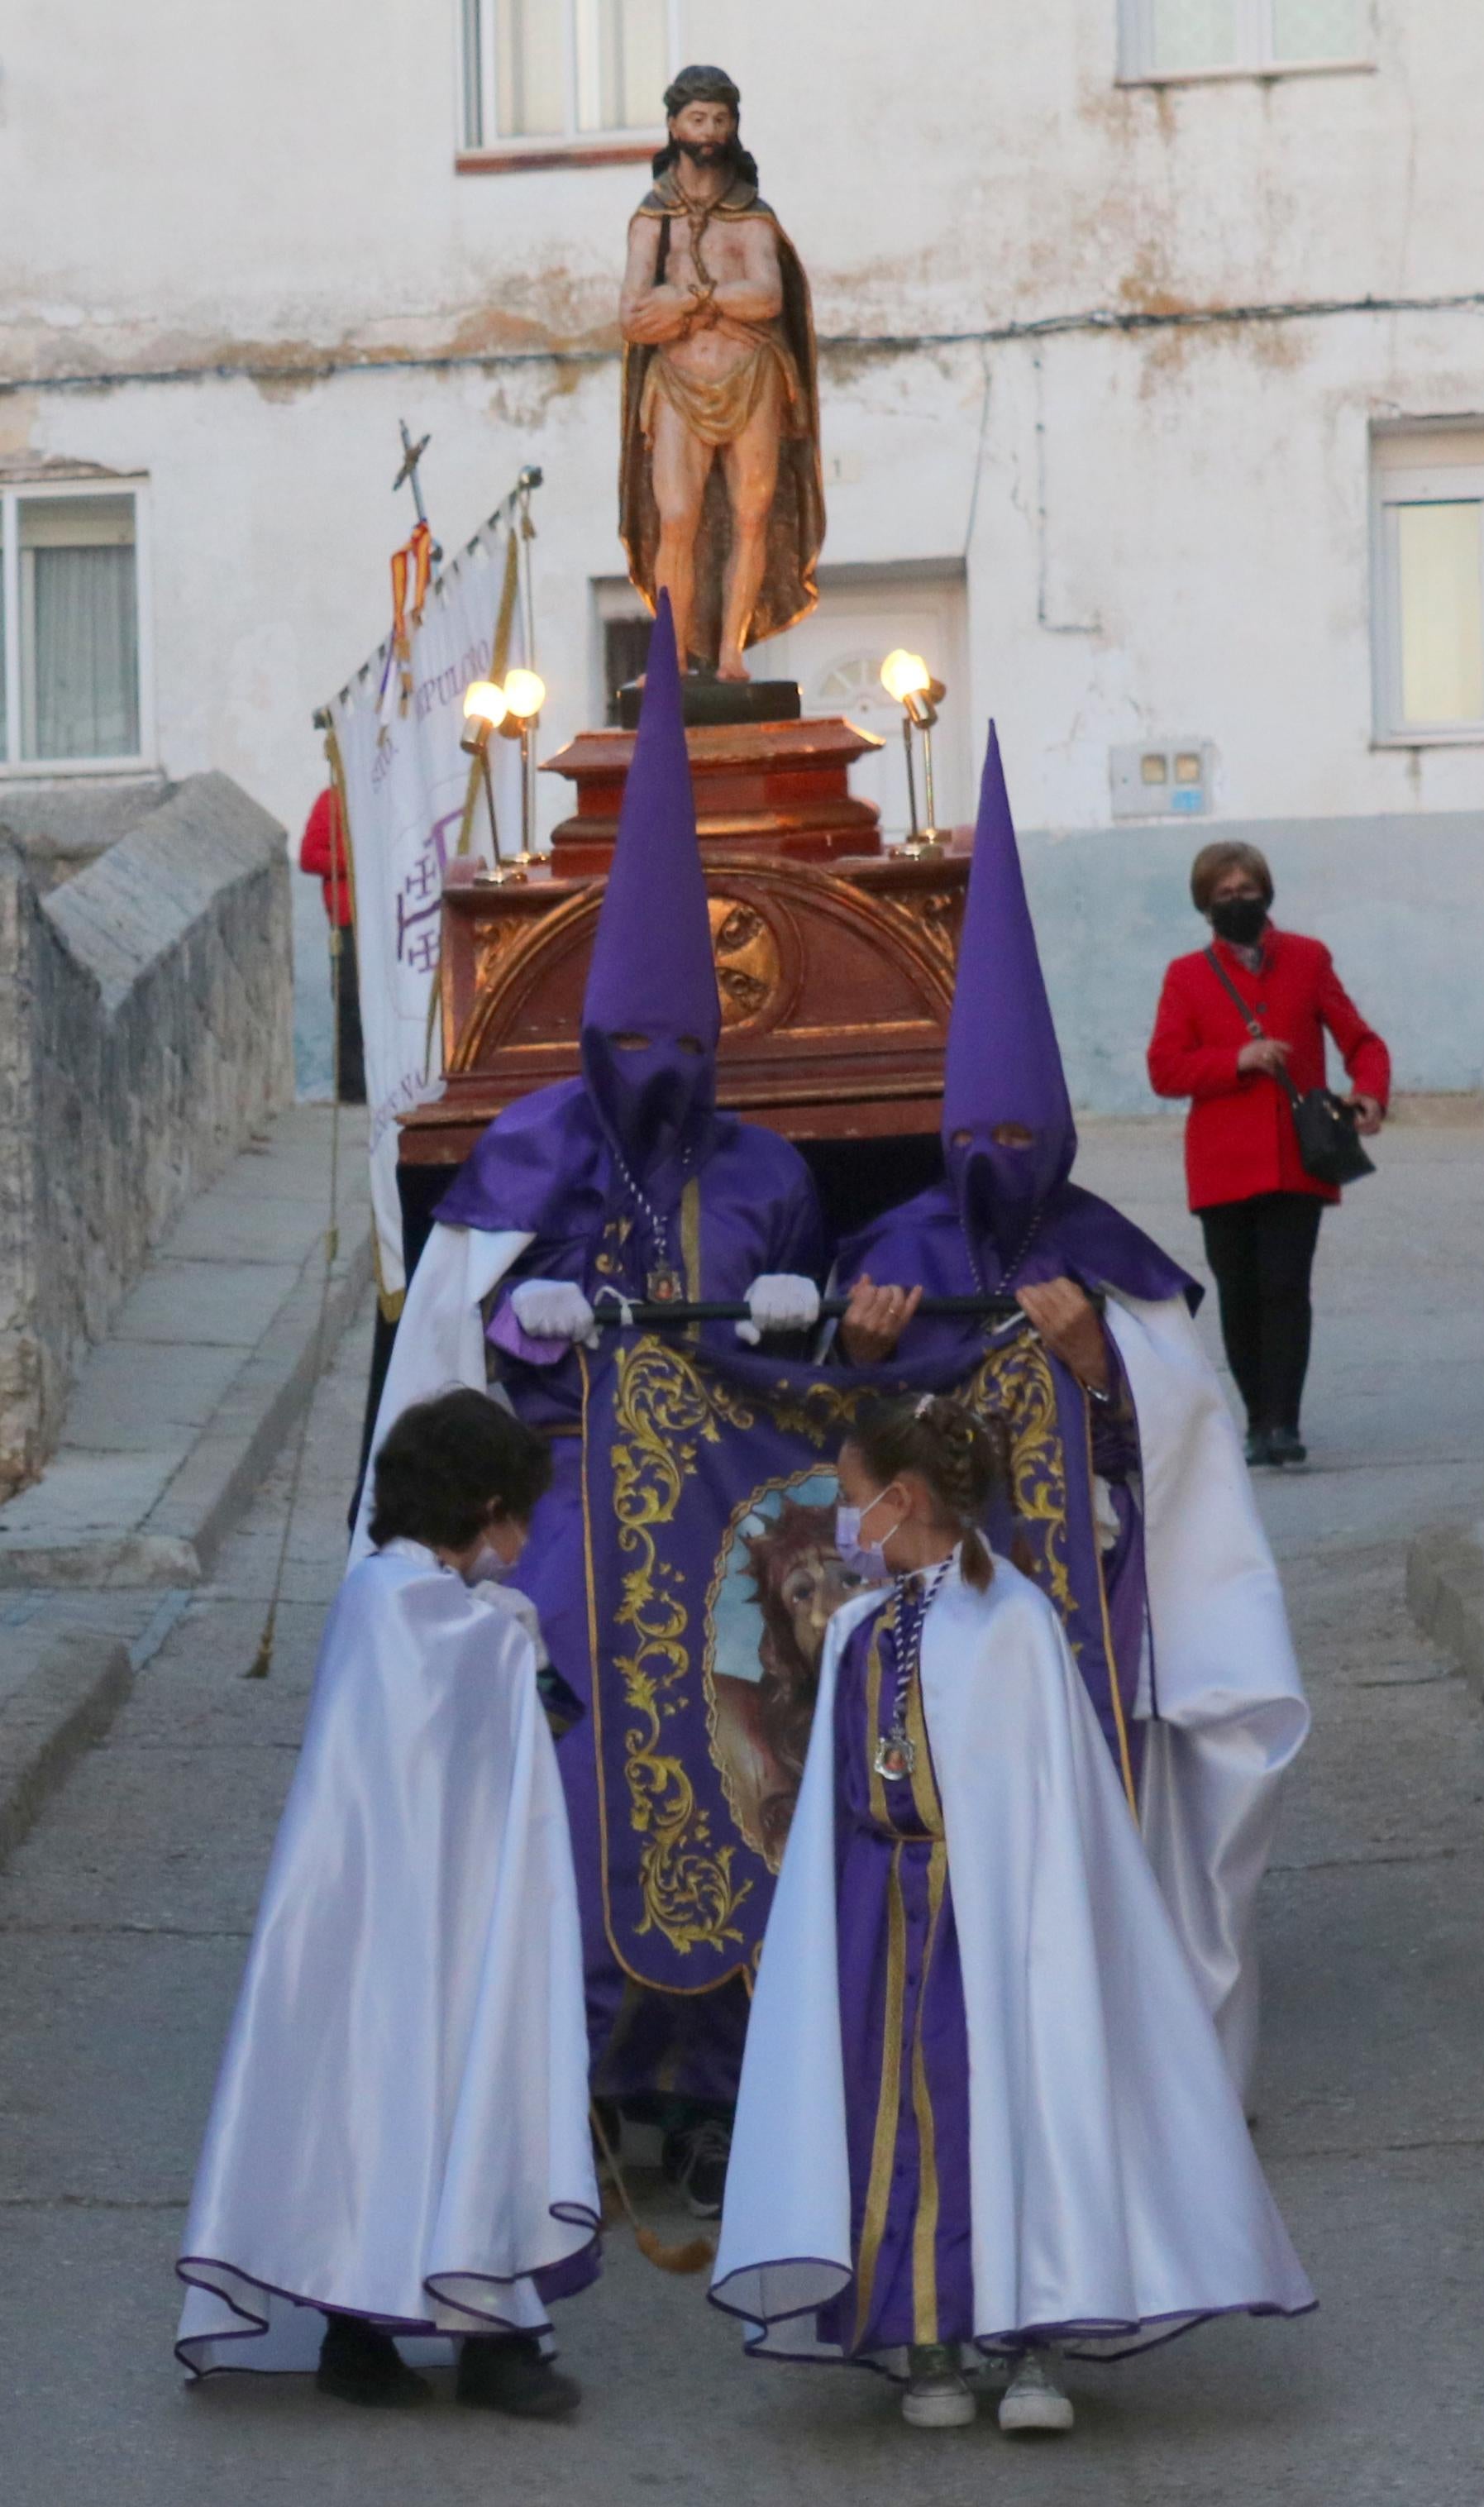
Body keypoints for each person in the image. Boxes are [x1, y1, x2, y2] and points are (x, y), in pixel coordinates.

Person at [351, 596, 825, 2215]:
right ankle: (580, 2071)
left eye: (679, 1034)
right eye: (627, 1035)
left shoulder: (768, 1172)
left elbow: (815, 1389)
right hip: (554, 1512)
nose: (656, 1058)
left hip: (723, 1530)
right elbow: (448, 1357)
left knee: (735, 1769)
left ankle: (722, 2078)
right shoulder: (529, 1156)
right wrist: (514, 1312)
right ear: (585, 1031)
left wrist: (797, 1317)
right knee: (574, 1789)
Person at [829, 732, 1307, 2099]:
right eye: (973, 1140)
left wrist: (1103, 1368)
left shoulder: (1116, 1264)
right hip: (934, 1636)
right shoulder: (890, 1255)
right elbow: (835, 1463)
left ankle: (1125, 2086)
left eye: (1018, 1142)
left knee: (1090, 1853)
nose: (995, 1169)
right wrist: (861, 1366)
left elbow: (1178, 1459)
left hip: (1085, 1625)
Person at [711, 1392, 1315, 2435]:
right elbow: (842, 1789)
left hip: (1007, 1921)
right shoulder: (857, 1628)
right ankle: (929, 2334)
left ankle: (1035, 2336)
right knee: (902, 2128)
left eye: (857, 1505)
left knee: (1022, 2103)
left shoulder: (1016, 1623)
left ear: (903, 1499)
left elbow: (1051, 1800)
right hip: (886, 1919)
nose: (849, 1527)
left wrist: (1020, 1907)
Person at [176, 1390, 598, 2413]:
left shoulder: (381, 1593)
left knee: (377, 2102)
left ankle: (364, 2331)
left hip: (382, 1912)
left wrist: (507, 1645)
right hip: (435, 1917)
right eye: (521, 1519)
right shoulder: (440, 1616)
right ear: (489, 1506)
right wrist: (522, 1650)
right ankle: (472, 2336)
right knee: (438, 2090)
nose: (523, 1542)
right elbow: (523, 1722)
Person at [1147, 840, 1389, 1468]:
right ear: (1205, 905)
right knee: (1239, 1292)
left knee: (1285, 1288)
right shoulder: (1186, 975)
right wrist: (1235, 1059)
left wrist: (1368, 1093)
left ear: (1266, 892)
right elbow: (1164, 1069)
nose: (1237, 902)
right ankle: (1257, 1418)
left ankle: (1283, 1423)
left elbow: (1360, 1040)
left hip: (1295, 1157)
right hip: (1220, 1163)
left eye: (1246, 890)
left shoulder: (1308, 960)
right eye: (1224, 895)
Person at [618, 64, 823, 679]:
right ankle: (672, 657)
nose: (709, 131)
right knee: (676, 516)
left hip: (752, 377)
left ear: (733, 129)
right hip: (679, 385)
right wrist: (705, 304)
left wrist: (686, 301)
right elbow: (633, 317)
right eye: (697, 119)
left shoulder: (752, 216)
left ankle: (732, 654)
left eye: (721, 120)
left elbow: (766, 298)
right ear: (674, 126)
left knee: (751, 514)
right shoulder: (652, 219)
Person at [298, 783, 365, 1105]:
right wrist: (356, 862)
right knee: (350, 1001)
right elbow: (310, 857)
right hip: (348, 918)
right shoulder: (333, 799)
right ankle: (353, 1089)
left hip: (384, 916)